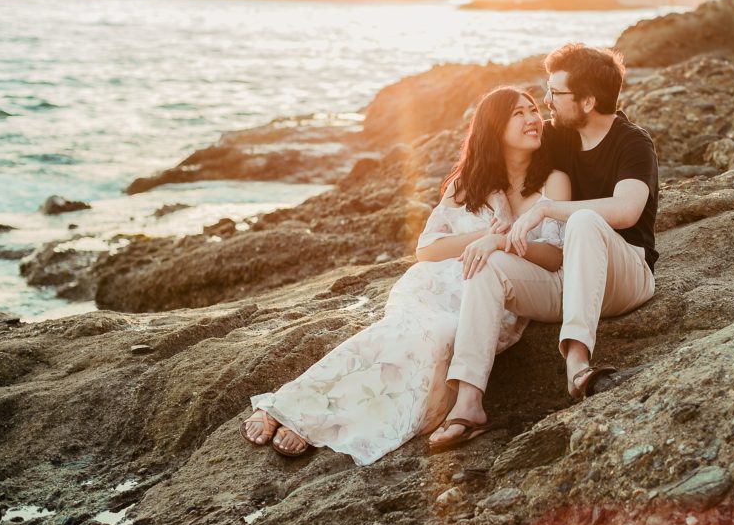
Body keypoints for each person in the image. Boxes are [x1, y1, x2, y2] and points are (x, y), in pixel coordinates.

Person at [240, 87, 571, 463]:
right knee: (397, 336)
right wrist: (485, 235)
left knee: (438, 339)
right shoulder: (470, 183)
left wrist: (502, 243)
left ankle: (315, 420)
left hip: (494, 296)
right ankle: (284, 406)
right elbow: (427, 249)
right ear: (494, 127)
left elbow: (554, 257)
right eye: (519, 113)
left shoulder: (553, 180)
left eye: (533, 110)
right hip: (435, 287)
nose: (533, 119)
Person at [429, 44, 658, 447]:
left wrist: (549, 210)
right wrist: (485, 222)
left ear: (587, 101)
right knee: (488, 264)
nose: (545, 102)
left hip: (623, 276)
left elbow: (626, 210)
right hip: (561, 280)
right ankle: (468, 403)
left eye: (555, 93)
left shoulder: (632, 143)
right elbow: (505, 149)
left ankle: (577, 363)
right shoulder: (558, 136)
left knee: (585, 221)